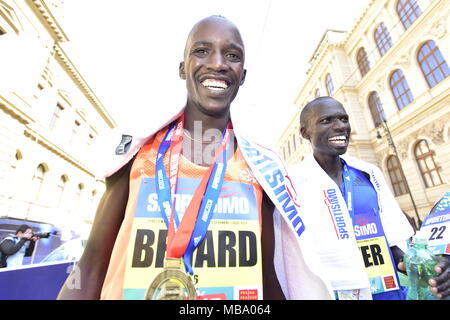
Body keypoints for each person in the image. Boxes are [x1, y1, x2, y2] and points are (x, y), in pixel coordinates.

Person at [58, 15, 333, 300]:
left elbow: (266, 277)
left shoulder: (262, 168)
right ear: (182, 68)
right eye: (202, 51)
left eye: (232, 55)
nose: (218, 63)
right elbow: (90, 267)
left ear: (243, 74)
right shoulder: (136, 154)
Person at [288, 96, 450, 300]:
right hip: (331, 293)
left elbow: (395, 242)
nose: (340, 126)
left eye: (344, 119)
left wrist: (430, 269)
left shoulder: (368, 172)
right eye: (326, 121)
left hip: (385, 291)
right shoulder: (291, 180)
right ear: (305, 132)